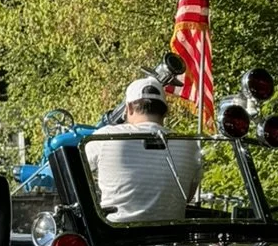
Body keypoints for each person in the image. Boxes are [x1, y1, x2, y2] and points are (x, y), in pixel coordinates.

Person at [85, 73, 201, 224]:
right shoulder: (189, 145)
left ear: (129, 108)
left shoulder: (105, 136)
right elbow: (188, 196)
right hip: (170, 238)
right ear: (165, 111)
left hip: (115, 236)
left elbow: (76, 179)